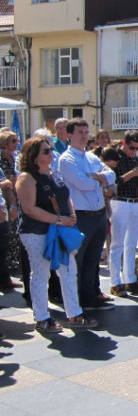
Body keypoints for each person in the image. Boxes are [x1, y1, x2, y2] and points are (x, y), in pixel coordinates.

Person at [16, 138, 97, 332]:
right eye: (45, 151)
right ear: (33, 156)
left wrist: (71, 215)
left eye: (50, 149)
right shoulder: (26, 178)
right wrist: (60, 219)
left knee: (68, 270)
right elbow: (29, 209)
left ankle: (74, 313)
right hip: (36, 231)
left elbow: (65, 196)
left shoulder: (54, 174)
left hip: (60, 230)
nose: (50, 153)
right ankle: (42, 317)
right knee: (41, 273)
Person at [58, 118, 116, 309]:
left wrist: (98, 177)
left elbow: (111, 174)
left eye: (86, 132)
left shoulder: (91, 157)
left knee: (93, 259)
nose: (84, 136)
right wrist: (100, 180)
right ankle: (77, 300)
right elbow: (82, 184)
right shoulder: (66, 159)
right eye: (79, 132)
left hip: (98, 214)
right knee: (79, 260)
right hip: (81, 216)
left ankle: (91, 295)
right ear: (69, 135)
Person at [108, 131, 138, 297]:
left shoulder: (134, 158)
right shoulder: (115, 157)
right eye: (132, 147)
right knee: (117, 244)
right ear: (124, 143)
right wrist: (133, 173)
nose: (134, 151)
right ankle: (115, 282)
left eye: (137, 148)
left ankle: (130, 279)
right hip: (119, 201)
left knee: (131, 244)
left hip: (133, 201)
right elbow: (114, 181)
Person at [0, 131, 21, 285]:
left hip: (11, 200)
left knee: (10, 236)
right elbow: (6, 183)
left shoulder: (16, 158)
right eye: (13, 140)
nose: (16, 143)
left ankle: (8, 271)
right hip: (5, 202)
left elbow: (10, 183)